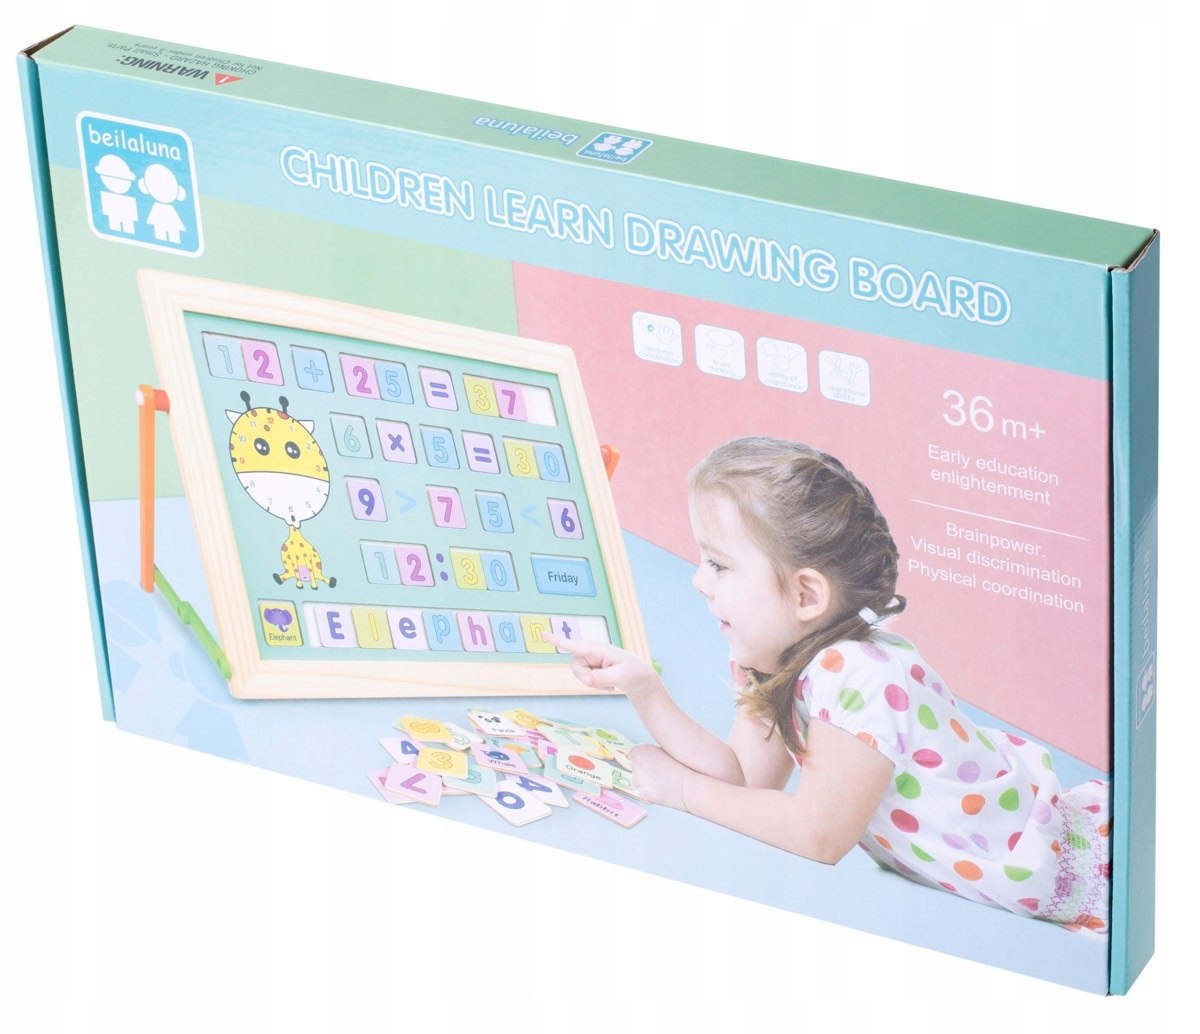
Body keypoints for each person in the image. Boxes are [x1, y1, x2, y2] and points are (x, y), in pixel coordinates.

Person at [552, 436, 1111, 932]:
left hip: (1068, 865)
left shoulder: (857, 673)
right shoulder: (776, 657)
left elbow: (818, 835)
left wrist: (682, 791)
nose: (698, 581)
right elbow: (744, 778)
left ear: (805, 596)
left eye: (718, 564)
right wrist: (646, 690)